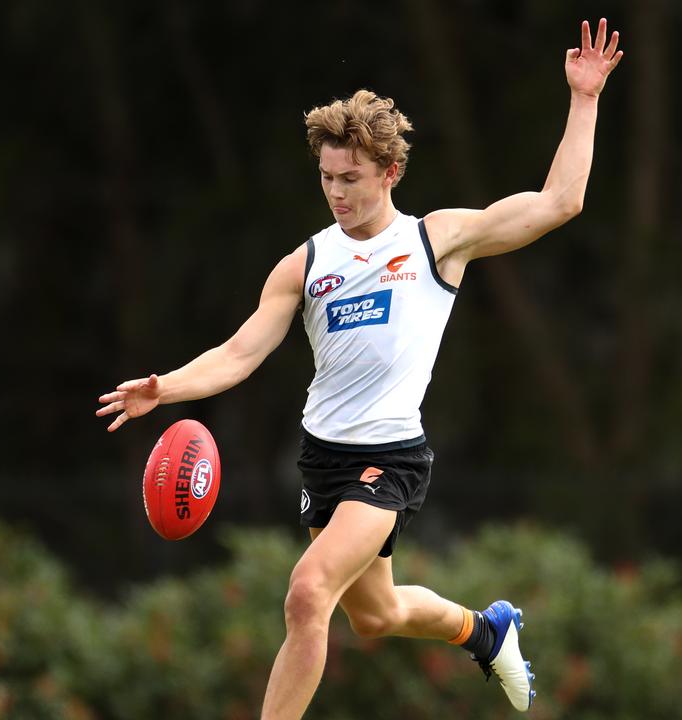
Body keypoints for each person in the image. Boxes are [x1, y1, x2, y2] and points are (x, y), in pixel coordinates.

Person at [97, 18, 622, 718]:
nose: (337, 194)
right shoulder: (307, 264)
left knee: (308, 592)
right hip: (325, 460)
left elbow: (561, 203)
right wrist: (166, 390)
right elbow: (240, 352)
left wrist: (584, 98)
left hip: (391, 456)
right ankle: (486, 629)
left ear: (390, 173)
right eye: (326, 179)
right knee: (373, 617)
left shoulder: (437, 240)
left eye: (351, 179)